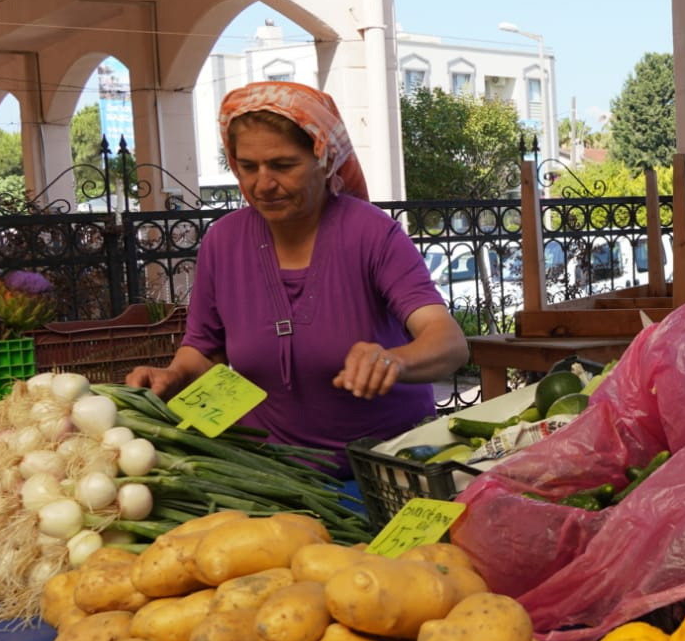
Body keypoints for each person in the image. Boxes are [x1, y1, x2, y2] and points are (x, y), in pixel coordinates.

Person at [128, 81, 468, 476]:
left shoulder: (372, 234)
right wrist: (173, 375)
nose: (262, 184)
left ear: (323, 160)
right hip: (270, 472)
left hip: (385, 468)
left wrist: (394, 360)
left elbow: (448, 343)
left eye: (283, 165)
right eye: (248, 166)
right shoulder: (223, 242)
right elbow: (204, 349)